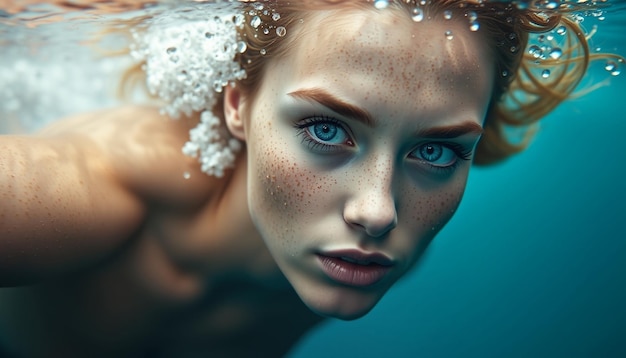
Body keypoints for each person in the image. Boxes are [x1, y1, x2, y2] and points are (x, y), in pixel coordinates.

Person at [0, 0, 622, 357]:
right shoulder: (103, 187)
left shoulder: (359, 253)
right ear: (237, 104)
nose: (379, 211)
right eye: (327, 130)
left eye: (434, 151)